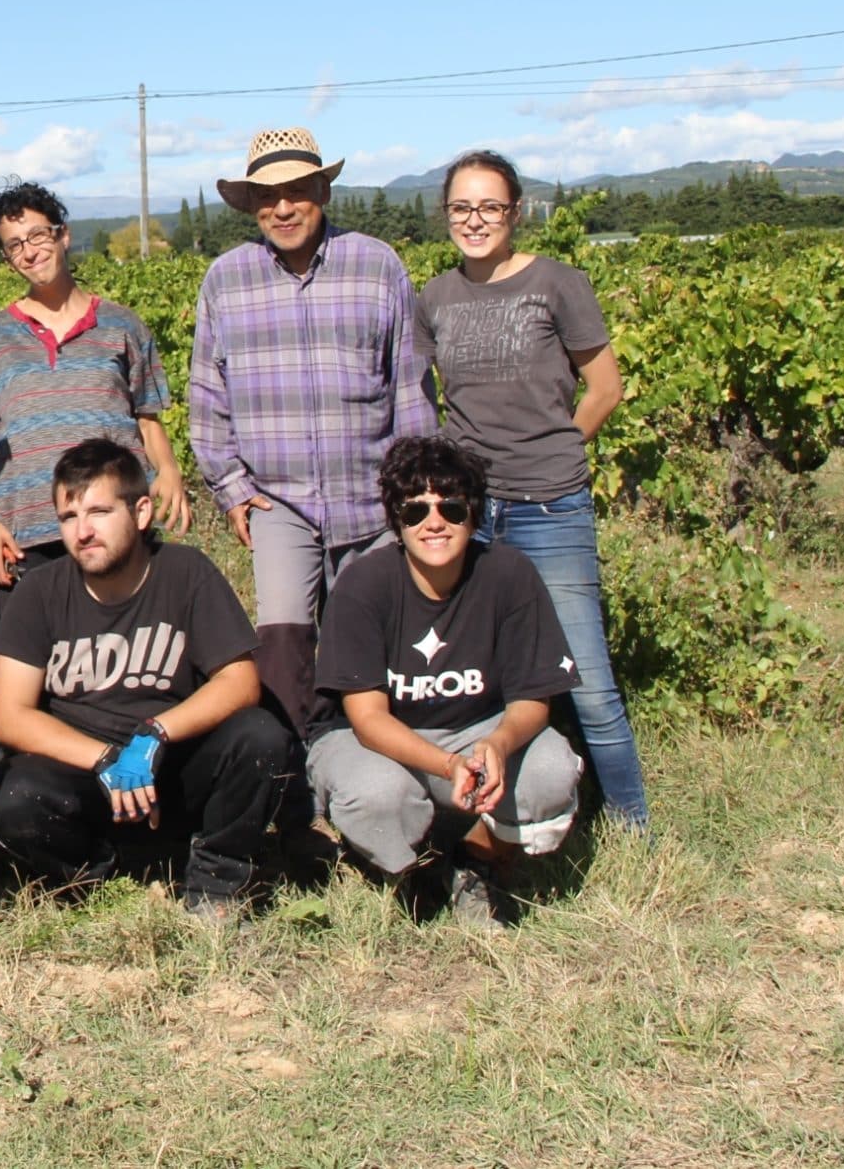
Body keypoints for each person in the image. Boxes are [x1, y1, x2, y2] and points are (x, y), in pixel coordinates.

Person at [417, 149, 648, 831]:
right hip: (467, 515)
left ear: (517, 212)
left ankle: (634, 828)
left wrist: (557, 450)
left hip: (550, 507)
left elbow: (605, 388)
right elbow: (430, 398)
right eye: (462, 207)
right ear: (446, 215)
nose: (475, 220)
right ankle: (498, 823)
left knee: (589, 682)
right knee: (484, 679)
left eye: (490, 206)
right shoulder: (435, 297)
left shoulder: (558, 284)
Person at [188, 127, 436, 742]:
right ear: (250, 206)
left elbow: (409, 386)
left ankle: (374, 764)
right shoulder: (226, 280)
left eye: (297, 190)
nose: (283, 207)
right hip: (279, 500)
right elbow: (207, 396)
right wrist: (230, 486)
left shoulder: (376, 265)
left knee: (375, 639)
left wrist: (415, 492)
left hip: (373, 495)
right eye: (267, 197)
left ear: (322, 189)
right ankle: (293, 785)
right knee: (282, 645)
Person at [0, 441, 292, 921]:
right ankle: (103, 878)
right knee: (19, 799)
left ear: (142, 510)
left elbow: (240, 681)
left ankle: (215, 880)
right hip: (85, 775)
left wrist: (153, 734)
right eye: (68, 517)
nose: (83, 532)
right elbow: (8, 714)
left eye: (100, 512)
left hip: (174, 767)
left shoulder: (185, 572)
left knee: (261, 735)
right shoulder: (40, 592)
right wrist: (105, 758)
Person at [307, 436, 584, 927]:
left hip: (478, 730)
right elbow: (368, 719)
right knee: (377, 794)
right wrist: (449, 764)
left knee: (551, 770)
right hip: (379, 740)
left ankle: (478, 858)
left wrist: (497, 744)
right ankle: (405, 868)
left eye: (451, 509)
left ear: (473, 515)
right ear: (397, 521)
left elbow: (533, 700)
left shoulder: (509, 575)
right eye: (415, 511)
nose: (433, 522)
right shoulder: (362, 584)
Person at [0, 182, 190, 595]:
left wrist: (170, 469)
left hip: (114, 529)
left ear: (62, 234)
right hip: (25, 540)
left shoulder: (124, 326)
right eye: (14, 245)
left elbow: (147, 417)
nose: (29, 252)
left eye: (37, 235)